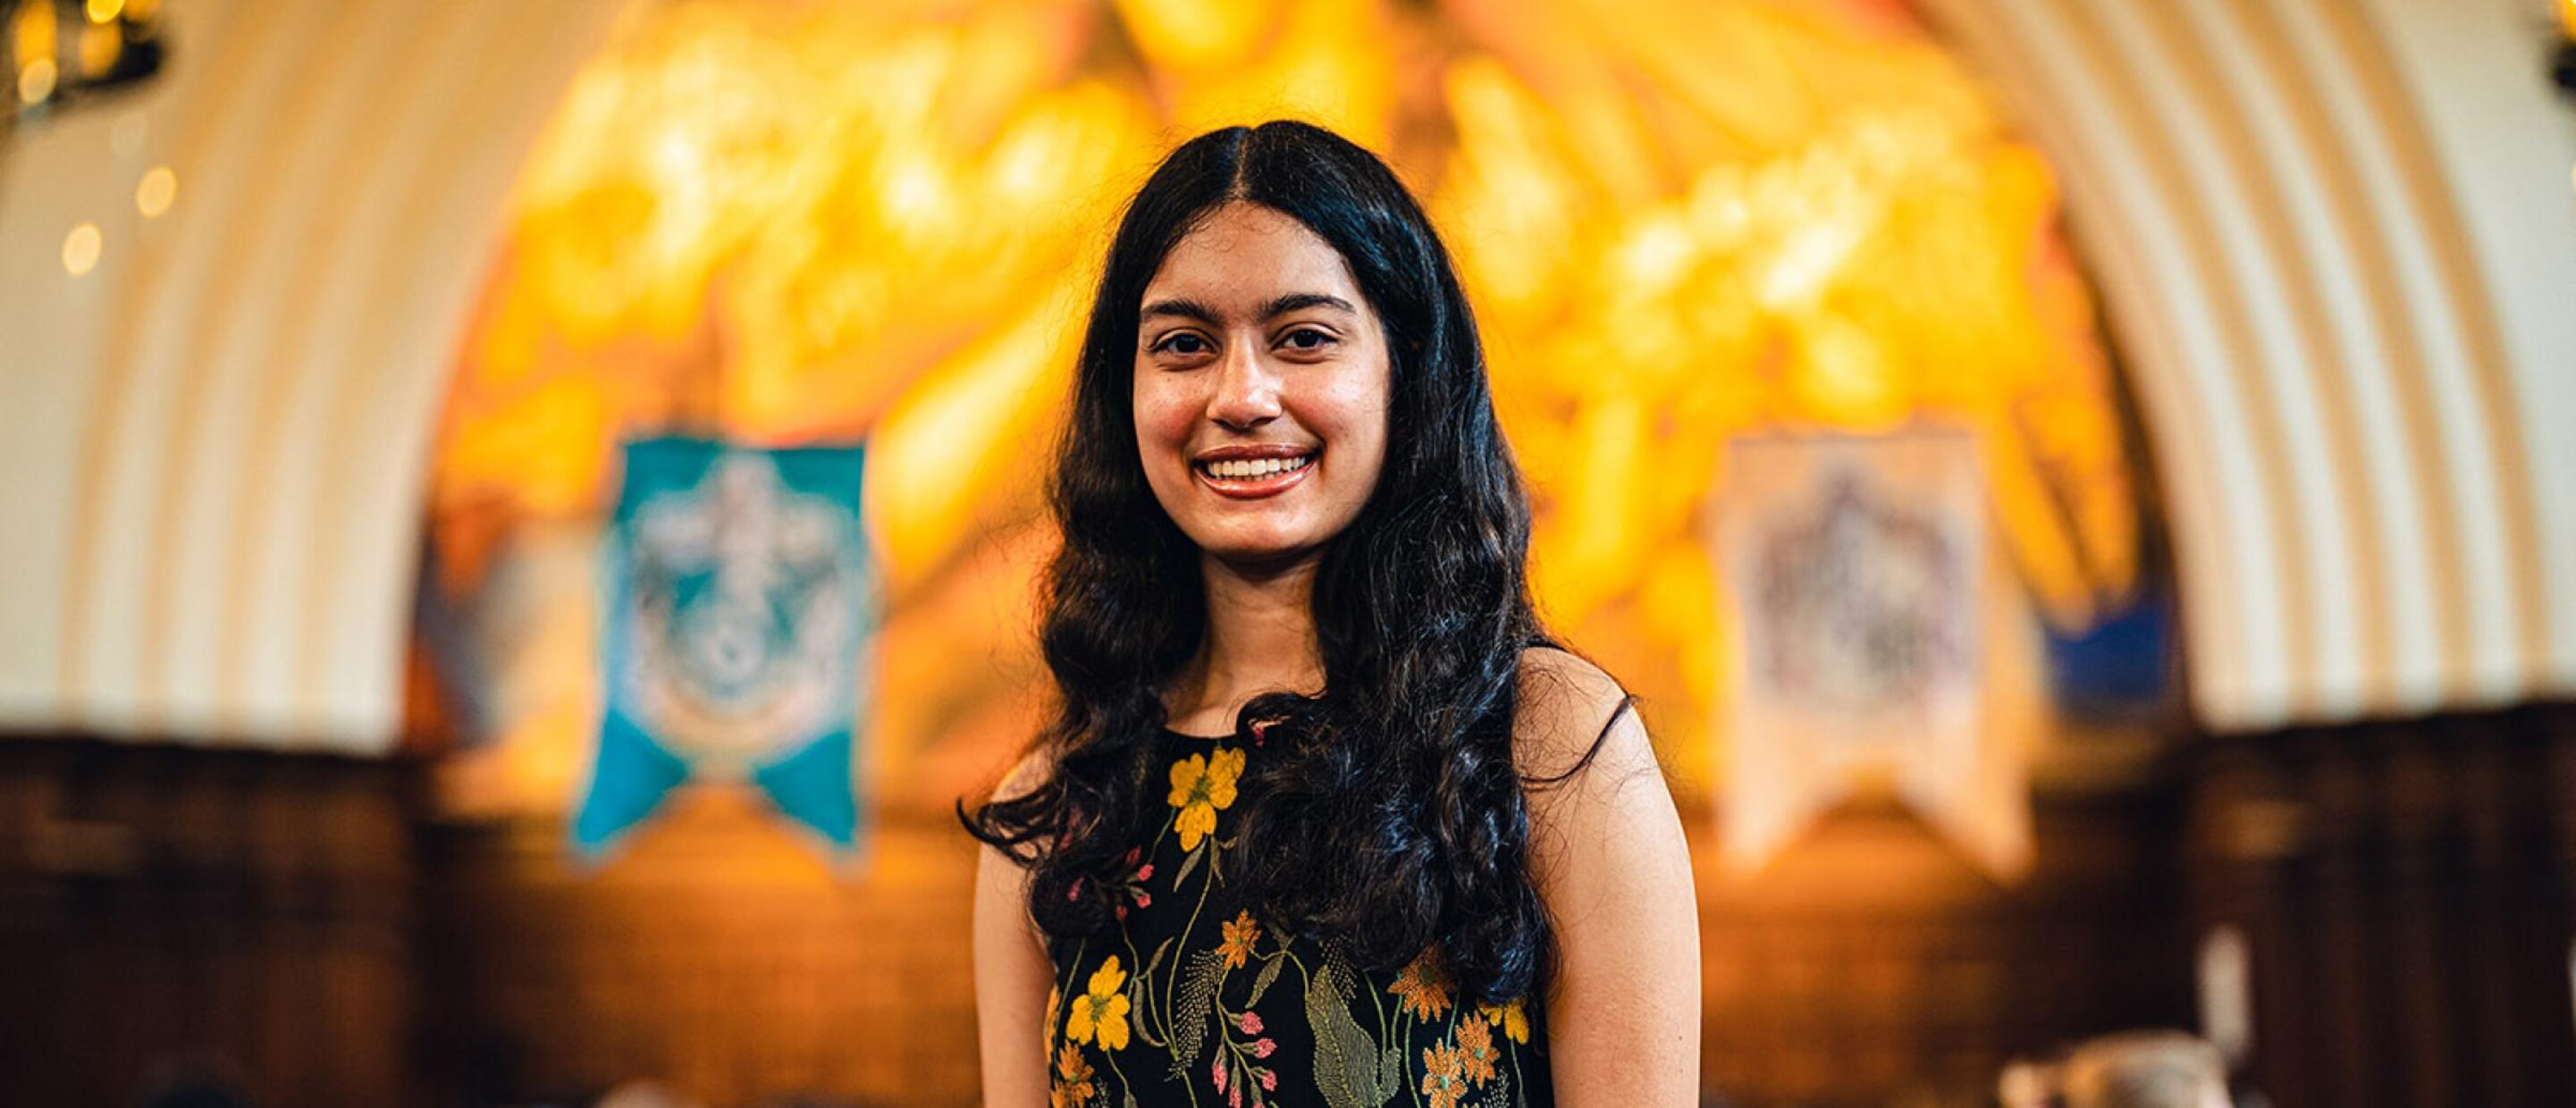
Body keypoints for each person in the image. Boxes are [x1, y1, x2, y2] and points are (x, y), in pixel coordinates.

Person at [962, 120, 1698, 1107]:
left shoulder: (1546, 740)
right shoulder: (1057, 812)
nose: (1242, 396)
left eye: (1302, 338)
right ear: (1123, 390)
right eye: (1182, 345)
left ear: (1405, 371)